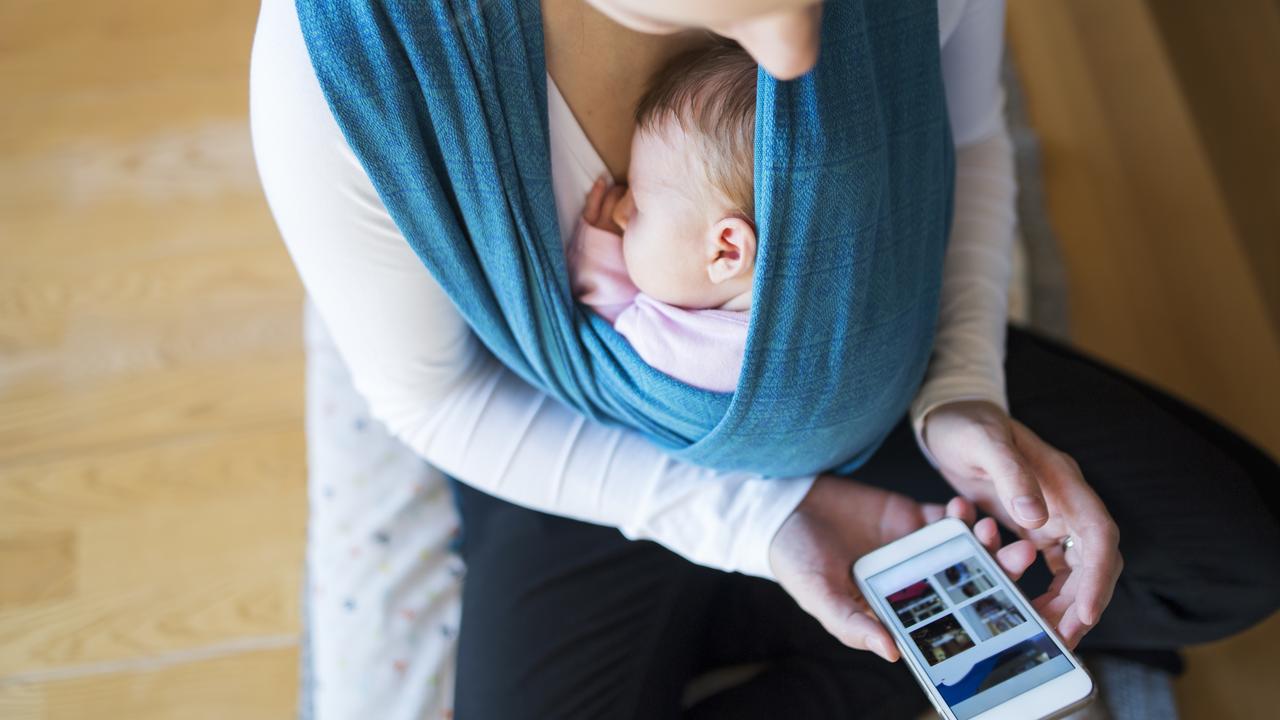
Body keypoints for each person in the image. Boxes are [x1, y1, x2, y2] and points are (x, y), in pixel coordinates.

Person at [249, 0, 1280, 718]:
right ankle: (828, 634)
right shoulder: (351, 63)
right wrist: (758, 524)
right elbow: (433, 400)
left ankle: (818, 626)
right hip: (581, 452)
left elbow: (960, 142)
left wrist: (959, 391)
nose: (796, 57)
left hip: (864, 375)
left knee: (1233, 555)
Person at [570, 42, 758, 392]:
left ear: (727, 250)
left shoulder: (670, 349)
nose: (618, 210)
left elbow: (609, 341)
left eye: (638, 206)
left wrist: (599, 255)